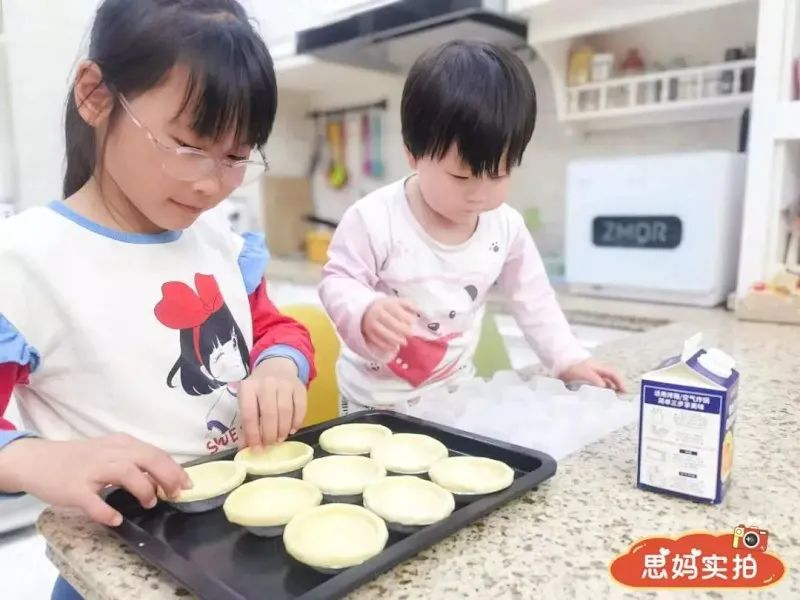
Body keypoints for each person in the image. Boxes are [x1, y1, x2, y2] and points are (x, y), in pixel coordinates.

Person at [0, 2, 314, 593]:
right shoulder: (26, 264)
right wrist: (34, 460)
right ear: (95, 97)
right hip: (116, 570)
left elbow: (274, 327)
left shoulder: (222, 246)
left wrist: (278, 363)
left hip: (232, 552)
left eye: (237, 157)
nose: (211, 183)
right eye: (189, 145)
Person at [319, 40, 624, 414]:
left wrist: (568, 359)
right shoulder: (373, 219)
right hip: (371, 405)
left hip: (453, 397)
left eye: (498, 174)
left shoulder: (506, 228)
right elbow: (337, 281)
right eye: (460, 176)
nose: (479, 194)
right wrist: (365, 309)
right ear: (413, 153)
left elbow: (534, 300)